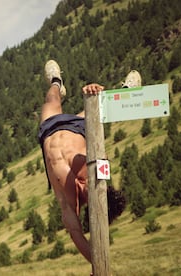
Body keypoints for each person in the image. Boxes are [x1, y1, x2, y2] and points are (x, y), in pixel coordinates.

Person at [38, 60, 134, 262]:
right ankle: (126, 91)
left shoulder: (69, 202)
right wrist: (93, 92)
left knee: (51, 101)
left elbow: (76, 233)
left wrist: (99, 265)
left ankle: (55, 84)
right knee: (100, 108)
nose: (88, 188)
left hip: (49, 130)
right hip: (77, 128)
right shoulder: (99, 177)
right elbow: (103, 155)